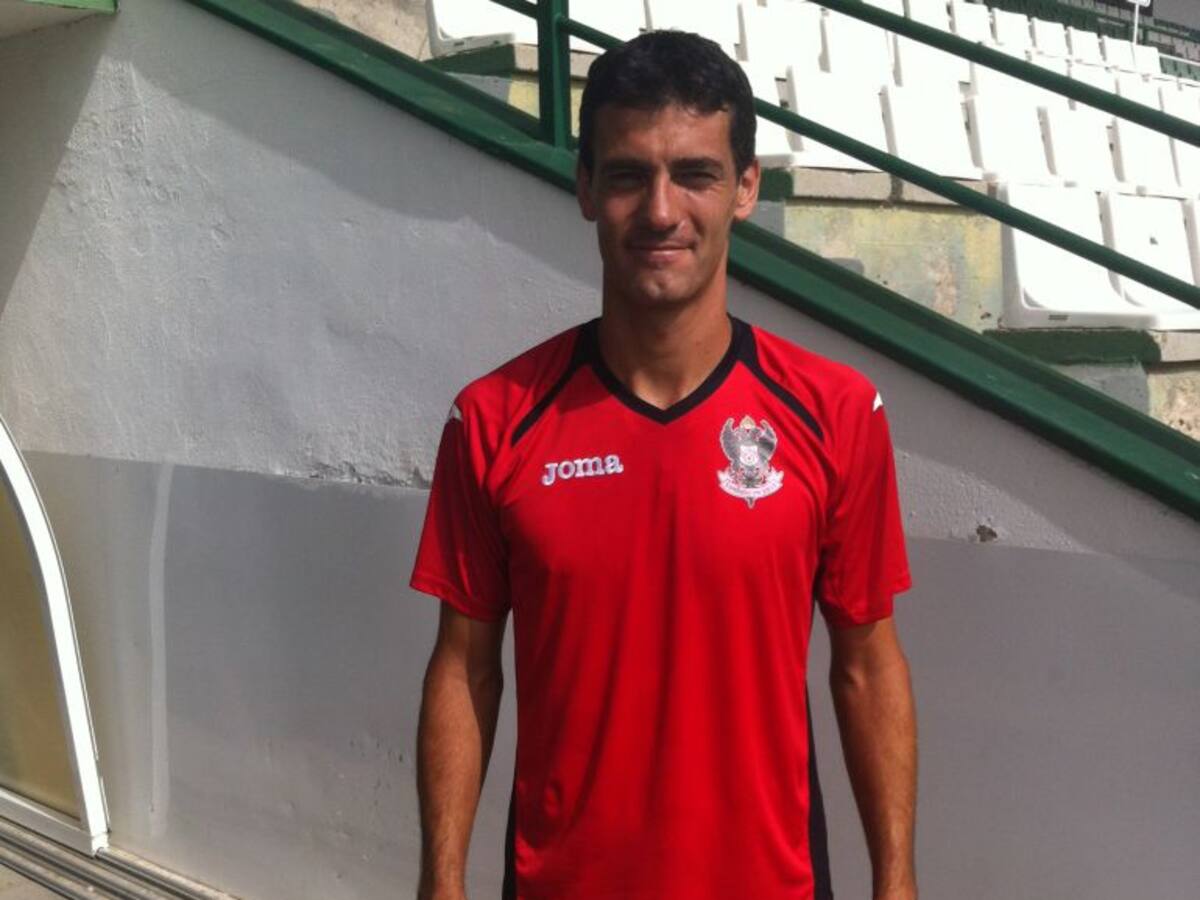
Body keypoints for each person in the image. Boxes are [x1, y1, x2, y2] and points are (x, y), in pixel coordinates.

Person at [411, 30, 916, 900]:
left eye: (694, 174)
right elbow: (465, 668)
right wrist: (442, 883)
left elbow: (867, 666)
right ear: (583, 188)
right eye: (626, 175)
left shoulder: (836, 413)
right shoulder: (494, 420)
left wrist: (896, 883)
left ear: (746, 188)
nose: (659, 210)